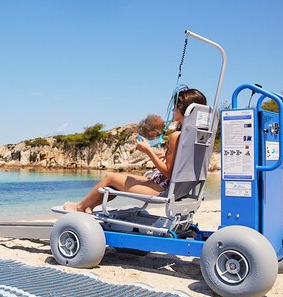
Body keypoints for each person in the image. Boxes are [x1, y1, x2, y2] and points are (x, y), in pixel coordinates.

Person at [63, 87, 207, 213]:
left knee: (110, 178)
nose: (174, 109)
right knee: (120, 179)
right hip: (175, 189)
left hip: (161, 188)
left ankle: (79, 206)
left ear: (185, 109)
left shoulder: (176, 136)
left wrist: (148, 151)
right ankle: (89, 206)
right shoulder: (196, 136)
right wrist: (168, 155)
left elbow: (168, 172)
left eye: (177, 106)